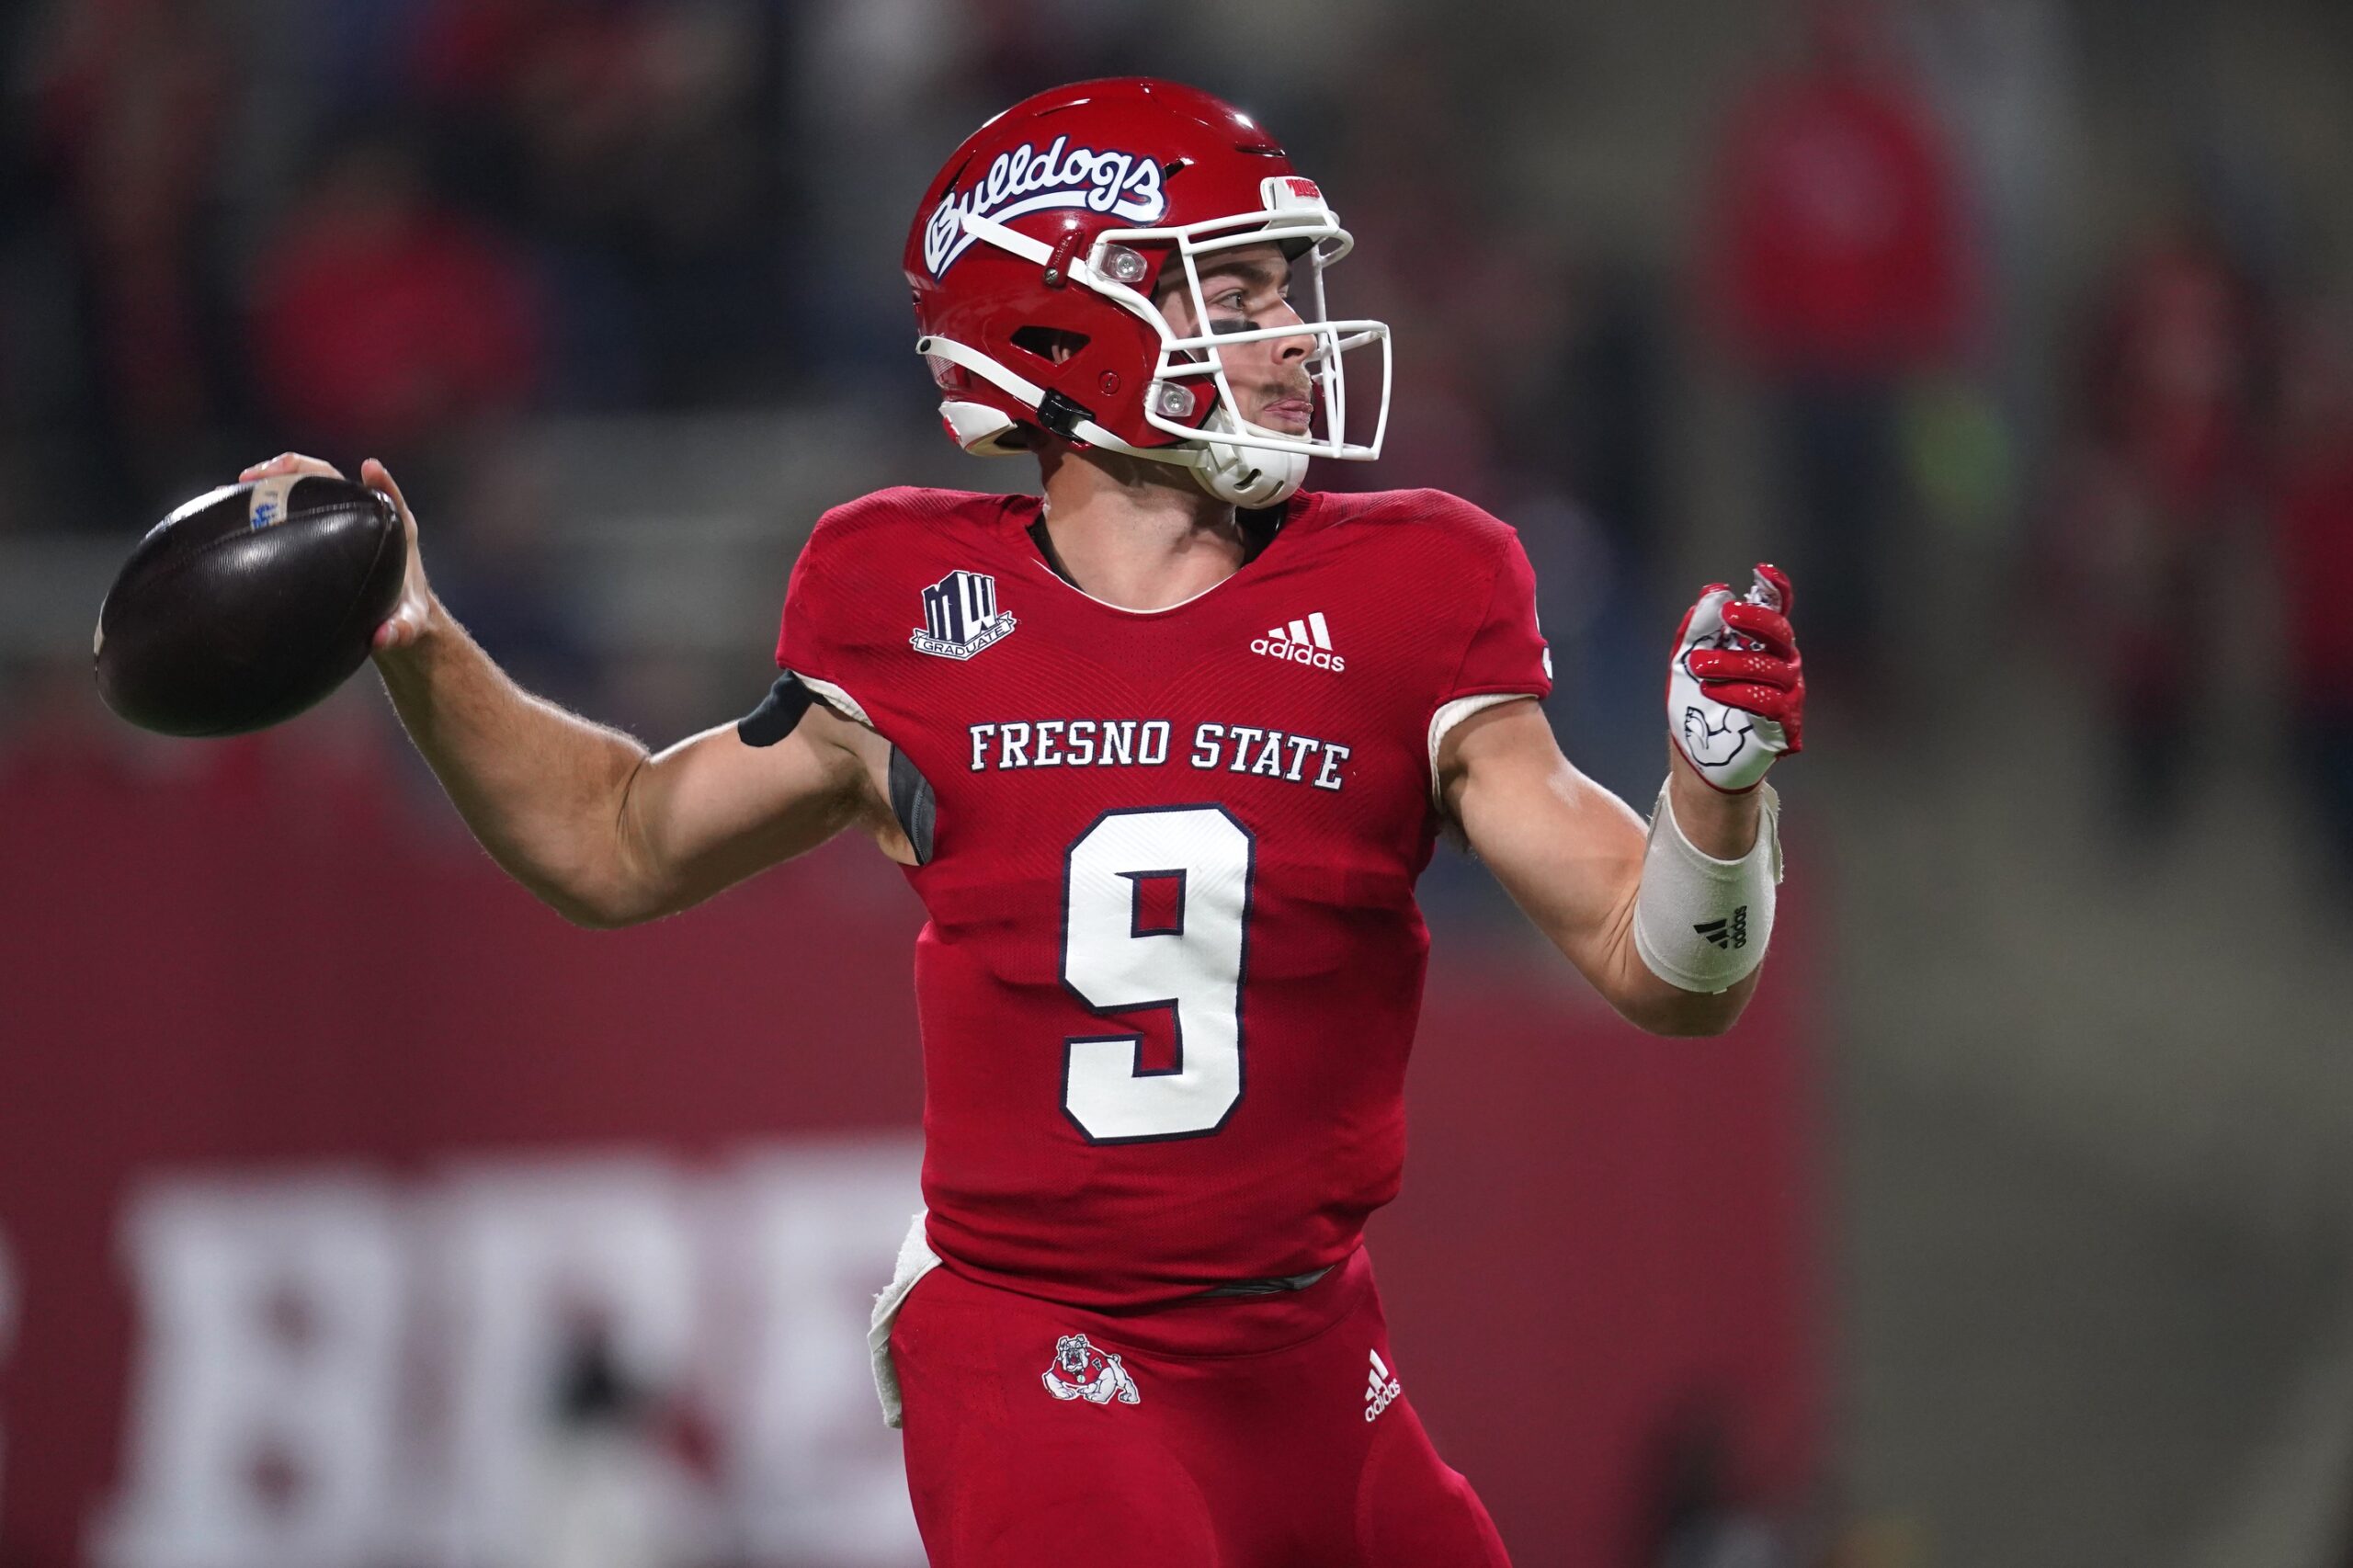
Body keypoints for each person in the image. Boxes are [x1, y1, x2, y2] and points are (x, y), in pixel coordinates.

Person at [241, 77, 1806, 1568]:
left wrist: (1714, 794)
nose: (1290, 337)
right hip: (1037, 1329)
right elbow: (617, 840)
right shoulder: (908, 600)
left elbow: (1668, 972)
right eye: (1236, 290)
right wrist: (421, 640)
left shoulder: (1419, 584)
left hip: (1308, 1342)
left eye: (1283, 289)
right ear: (1067, 320)